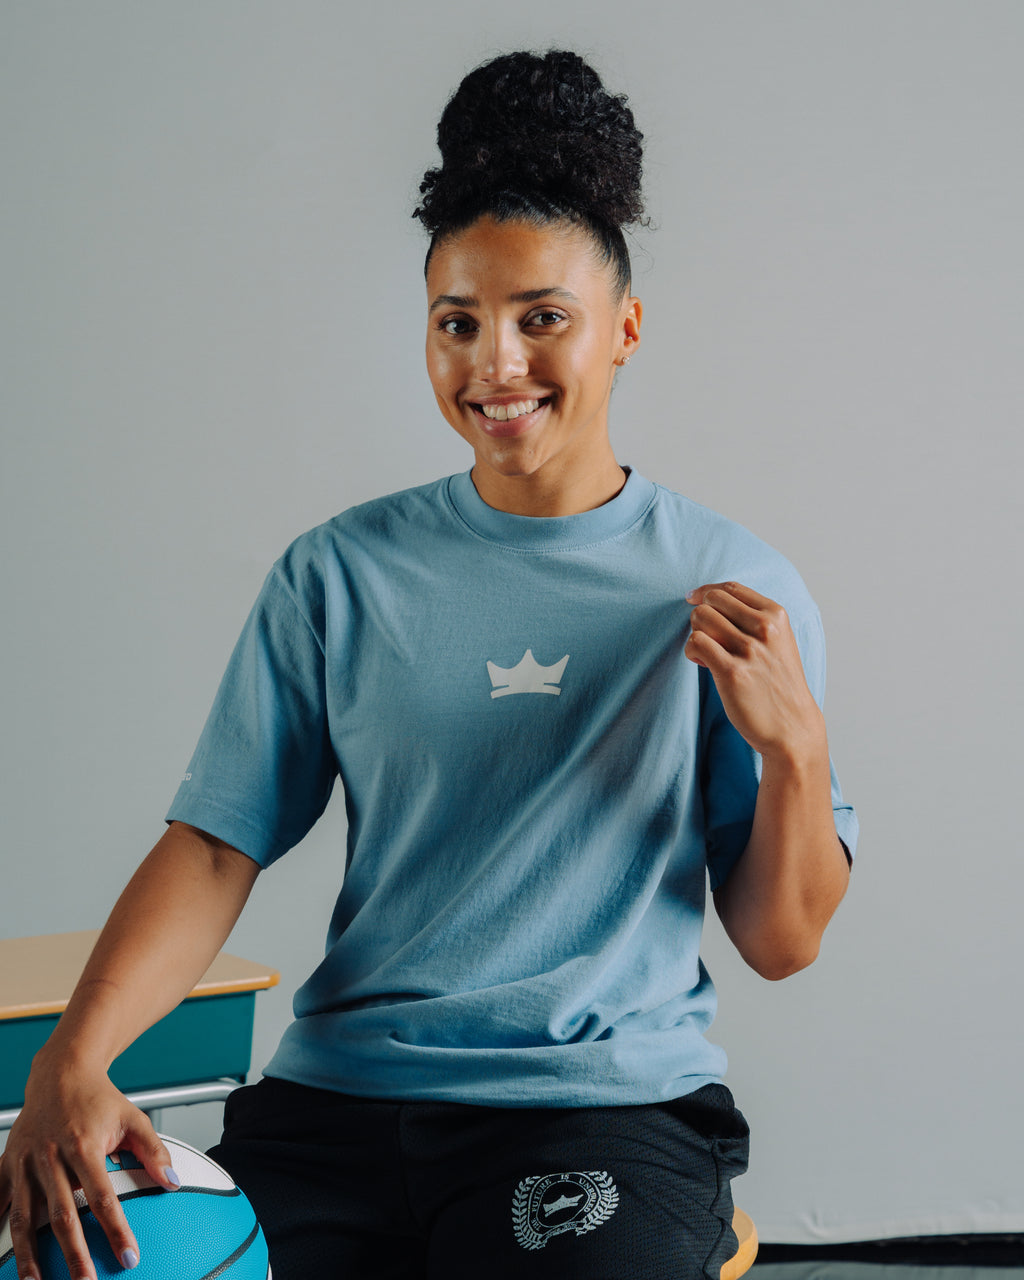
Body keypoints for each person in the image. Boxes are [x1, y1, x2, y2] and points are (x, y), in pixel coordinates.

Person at [0, 49, 856, 1280]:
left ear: (623, 328)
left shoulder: (733, 588)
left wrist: (796, 750)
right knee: (82, 1265)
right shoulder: (339, 574)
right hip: (336, 1111)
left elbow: (779, 938)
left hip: (596, 1112)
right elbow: (211, 843)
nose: (493, 363)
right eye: (457, 322)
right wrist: (71, 1061)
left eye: (540, 318)